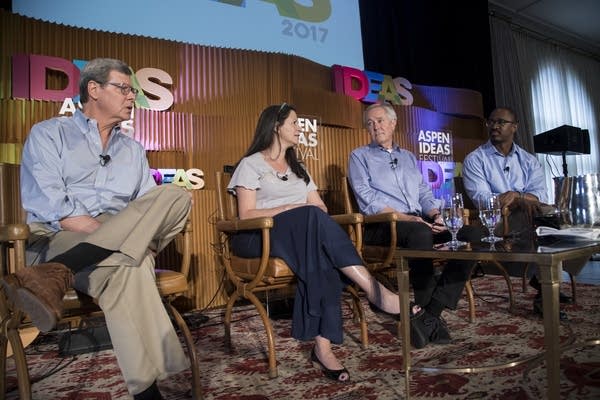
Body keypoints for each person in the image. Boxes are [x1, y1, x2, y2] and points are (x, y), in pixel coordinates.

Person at [1, 58, 191, 399]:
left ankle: (57, 273)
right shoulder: (49, 134)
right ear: (94, 89)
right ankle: (150, 395)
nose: (132, 97)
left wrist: (134, 235)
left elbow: (151, 207)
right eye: (124, 88)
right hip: (59, 237)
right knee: (129, 268)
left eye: (132, 90)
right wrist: (126, 237)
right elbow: (53, 206)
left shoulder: (133, 150)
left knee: (176, 196)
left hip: (116, 240)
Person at [227, 103, 413, 383]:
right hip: (260, 236)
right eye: (294, 123)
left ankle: (322, 349)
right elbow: (246, 214)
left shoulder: (298, 167)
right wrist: (289, 208)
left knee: (320, 256)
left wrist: (301, 211)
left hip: (303, 234)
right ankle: (374, 290)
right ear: (277, 127)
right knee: (310, 222)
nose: (299, 128)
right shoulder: (251, 163)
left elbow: (320, 208)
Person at [348, 102, 483, 349]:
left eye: (379, 120)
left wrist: (436, 214)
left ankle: (430, 312)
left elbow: (423, 193)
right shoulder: (359, 156)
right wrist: (406, 217)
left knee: (474, 233)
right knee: (420, 232)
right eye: (370, 123)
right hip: (383, 224)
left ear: (392, 123)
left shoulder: (408, 156)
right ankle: (426, 314)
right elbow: (367, 198)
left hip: (418, 220)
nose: (375, 126)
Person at [462, 106, 572, 315]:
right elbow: (483, 200)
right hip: (494, 223)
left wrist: (517, 197)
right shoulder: (475, 160)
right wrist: (517, 201)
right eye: (491, 122)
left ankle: (545, 286)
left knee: (558, 215)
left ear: (514, 127)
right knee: (535, 217)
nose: (494, 126)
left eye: (500, 122)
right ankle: (547, 290)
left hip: (529, 219)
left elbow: (539, 195)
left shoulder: (529, 160)